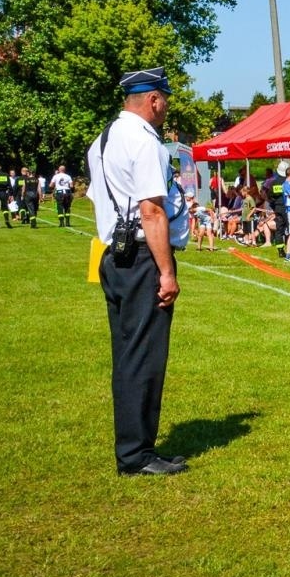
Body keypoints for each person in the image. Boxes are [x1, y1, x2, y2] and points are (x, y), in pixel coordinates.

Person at [86, 66, 190, 476]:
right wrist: (166, 271)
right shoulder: (147, 143)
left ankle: (134, 448)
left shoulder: (104, 138)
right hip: (143, 258)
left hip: (113, 254)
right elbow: (151, 210)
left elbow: (100, 200)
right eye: (165, 99)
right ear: (154, 99)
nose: (165, 107)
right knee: (144, 357)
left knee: (128, 353)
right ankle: (137, 455)